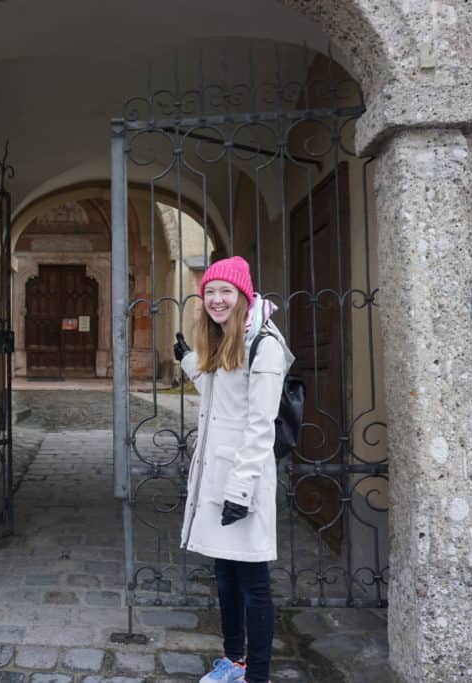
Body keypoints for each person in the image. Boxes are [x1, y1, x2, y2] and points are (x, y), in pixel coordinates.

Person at [173, 256, 295, 683]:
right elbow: (221, 394)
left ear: (243, 295)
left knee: (253, 582)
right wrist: (189, 361)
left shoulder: (264, 344)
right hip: (217, 477)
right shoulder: (229, 338)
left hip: (242, 481)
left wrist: (240, 491)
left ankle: (255, 675)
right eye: (210, 292)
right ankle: (234, 662)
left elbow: (260, 425)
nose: (217, 299)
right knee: (225, 575)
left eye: (225, 291)